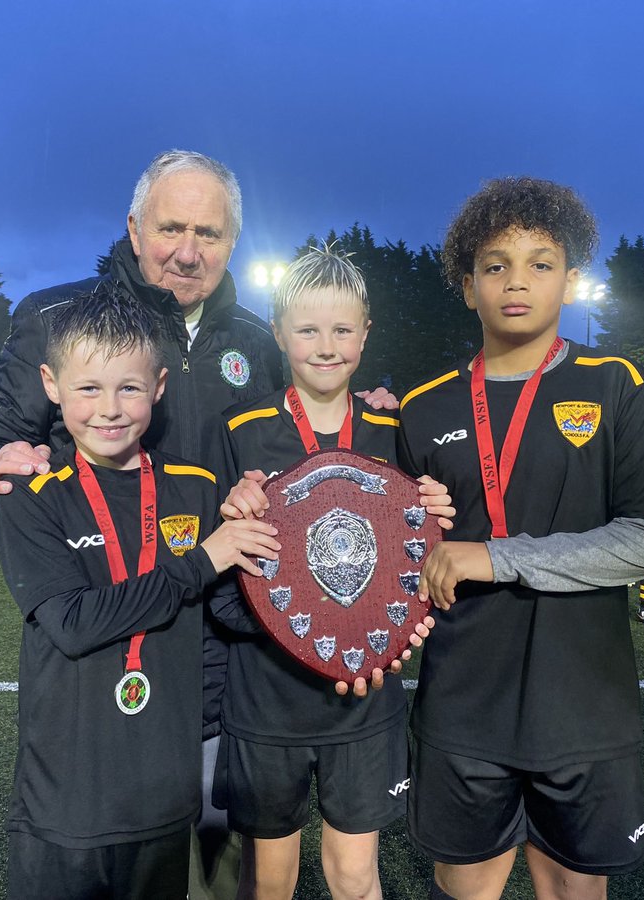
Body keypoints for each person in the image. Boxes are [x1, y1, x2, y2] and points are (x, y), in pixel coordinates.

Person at [0, 150, 394, 897]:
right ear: (133, 226)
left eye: (209, 234)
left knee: (214, 858)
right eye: (172, 227)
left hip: (225, 628)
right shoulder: (60, 320)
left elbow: (301, 447)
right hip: (107, 632)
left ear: (232, 243)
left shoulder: (255, 338)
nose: (189, 251)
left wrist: (369, 424)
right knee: (107, 833)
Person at [397, 177, 644, 900]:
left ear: (572, 279)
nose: (516, 282)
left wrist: (496, 556)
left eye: (540, 262)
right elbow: (399, 543)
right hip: (463, 703)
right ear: (467, 287)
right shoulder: (422, 406)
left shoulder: (617, 385)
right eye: (495, 265)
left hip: (581, 704)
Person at [0, 286, 280, 899]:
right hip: (67, 801)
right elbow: (72, 623)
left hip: (163, 796)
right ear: (50, 384)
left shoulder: (197, 487)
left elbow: (230, 606)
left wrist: (326, 613)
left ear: (159, 387)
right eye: (88, 388)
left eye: (129, 387)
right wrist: (200, 561)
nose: (109, 409)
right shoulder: (34, 497)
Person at [213, 245, 449, 899]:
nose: (326, 346)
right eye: (308, 329)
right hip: (266, 702)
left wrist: (411, 620)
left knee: (354, 874)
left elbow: (419, 558)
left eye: (342, 329)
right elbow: (215, 577)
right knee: (269, 881)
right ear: (279, 331)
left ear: (366, 333)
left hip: (365, 702)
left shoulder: (393, 431)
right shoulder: (239, 431)